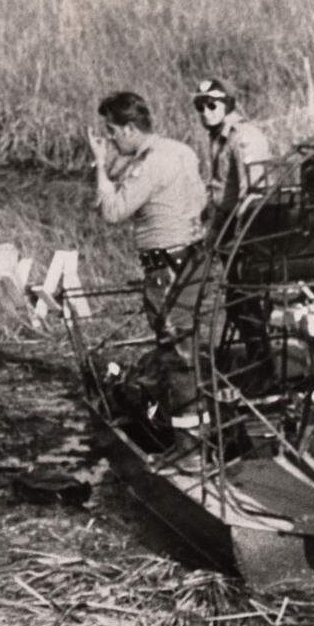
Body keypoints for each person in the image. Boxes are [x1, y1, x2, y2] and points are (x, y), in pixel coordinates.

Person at [86, 91, 215, 429]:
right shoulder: (181, 151)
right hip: (194, 259)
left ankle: (190, 443)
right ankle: (192, 425)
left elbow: (112, 211)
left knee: (176, 351)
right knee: (187, 344)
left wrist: (100, 165)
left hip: (166, 267)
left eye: (112, 132)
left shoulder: (149, 162)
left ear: (129, 128)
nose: (111, 140)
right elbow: (200, 199)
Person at [192, 77, 272, 244]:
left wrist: (238, 234)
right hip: (226, 221)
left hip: (246, 224)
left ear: (227, 104)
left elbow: (253, 191)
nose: (206, 112)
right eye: (201, 107)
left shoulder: (243, 135)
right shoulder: (219, 135)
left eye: (212, 105)